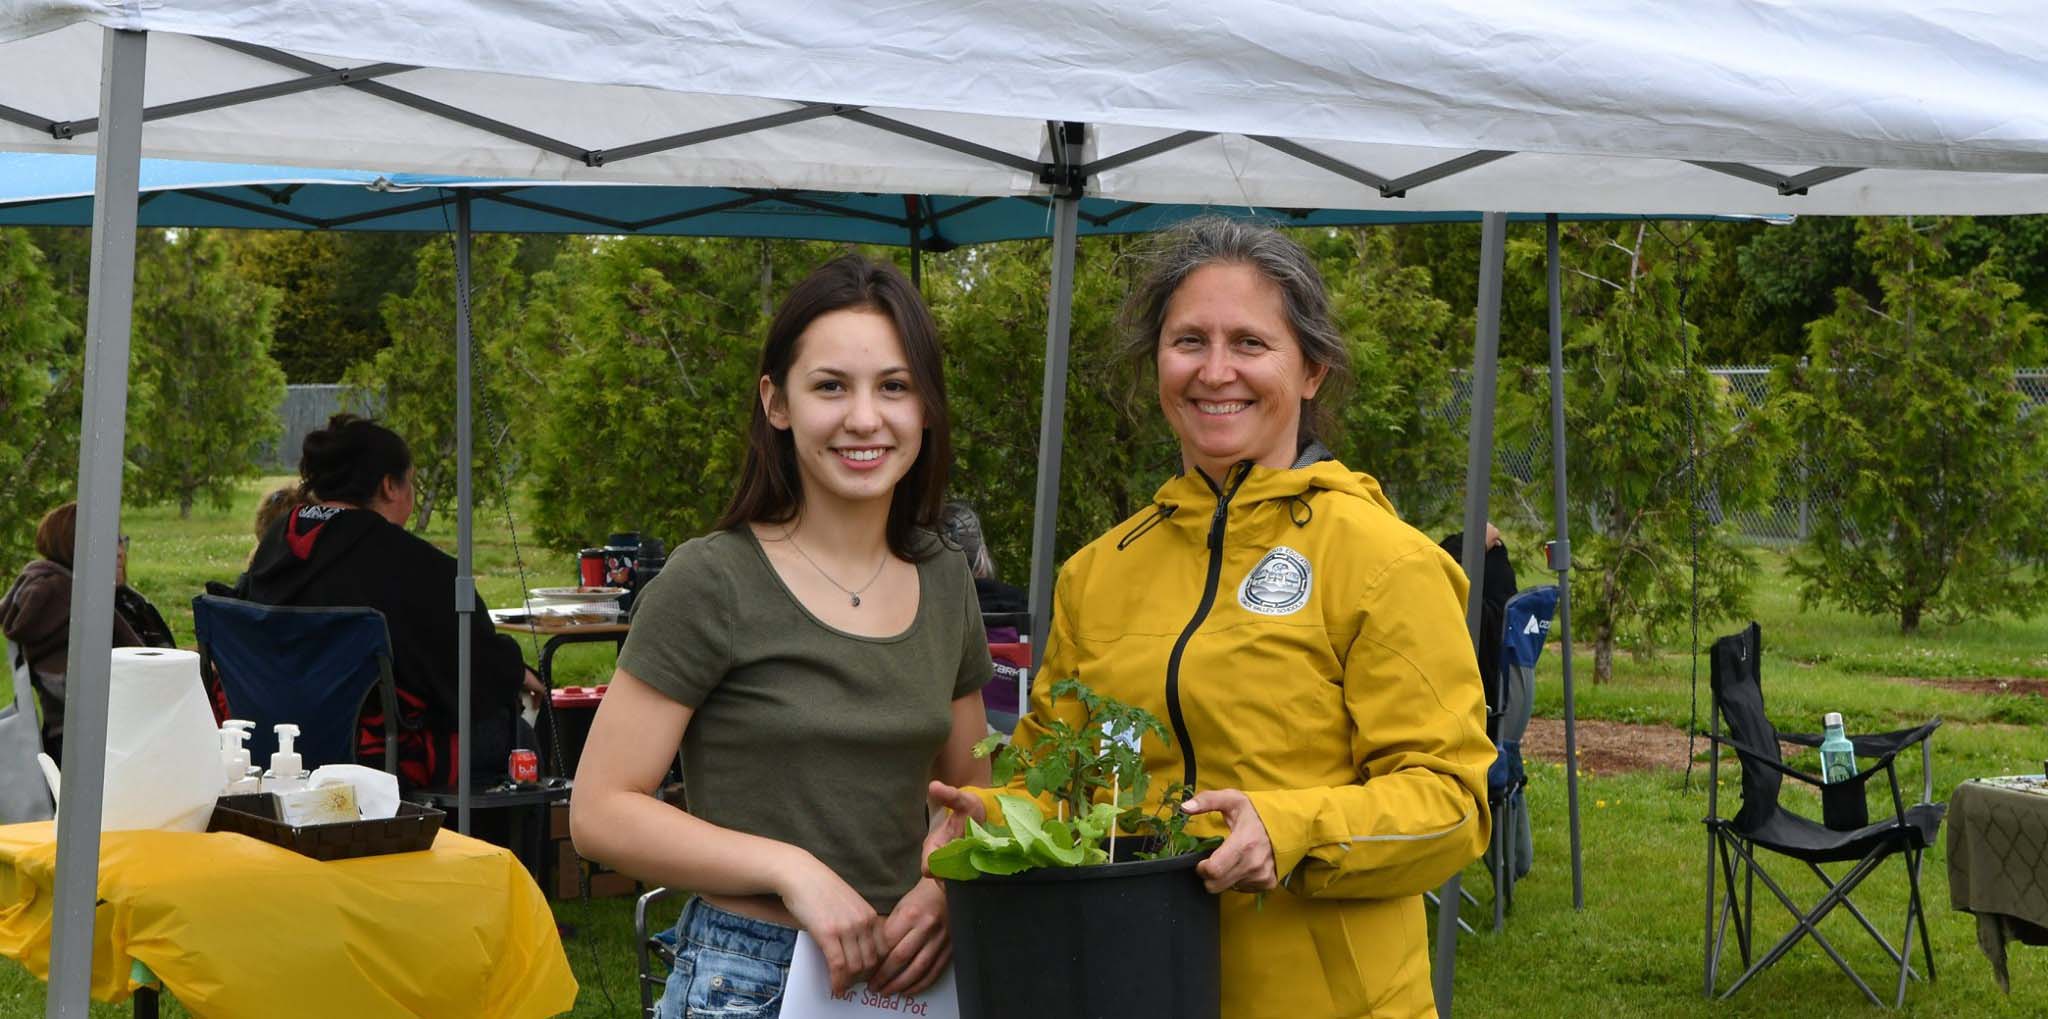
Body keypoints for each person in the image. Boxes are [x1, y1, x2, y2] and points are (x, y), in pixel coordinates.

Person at [926, 217, 1493, 1019]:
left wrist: (1288, 826)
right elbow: (1056, 784)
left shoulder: (1383, 561)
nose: (1215, 370)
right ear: (1156, 362)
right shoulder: (1099, 572)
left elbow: (1452, 807)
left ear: (1312, 369)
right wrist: (993, 821)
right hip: (1121, 990)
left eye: (1251, 343)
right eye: (1189, 340)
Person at [571, 254, 992, 1016]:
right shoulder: (714, 580)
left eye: (894, 386)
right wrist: (792, 868)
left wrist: (943, 884)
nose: (865, 417)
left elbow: (972, 789)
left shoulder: (944, 577)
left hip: (910, 980)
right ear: (778, 401)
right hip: (748, 976)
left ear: (926, 407)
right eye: (831, 385)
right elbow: (599, 810)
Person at [232, 414, 544, 790]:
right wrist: (512, 669)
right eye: (410, 480)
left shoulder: (275, 545)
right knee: (518, 741)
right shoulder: (413, 566)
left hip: (271, 743)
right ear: (390, 486)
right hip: (377, 755)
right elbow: (468, 673)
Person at [0, 502, 176, 762]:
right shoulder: (63, 607)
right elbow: (84, 696)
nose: (118, 552)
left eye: (120, 541)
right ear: (76, 549)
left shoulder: (119, 601)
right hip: (96, 753)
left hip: (133, 737)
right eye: (108, 541)